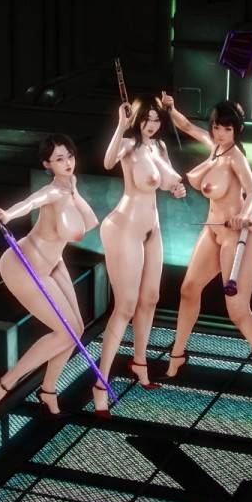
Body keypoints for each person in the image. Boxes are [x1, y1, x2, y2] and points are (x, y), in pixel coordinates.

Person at [160, 94, 252, 413]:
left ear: (236, 131)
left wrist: (243, 213)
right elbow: (187, 126)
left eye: (226, 129)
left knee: (238, 311)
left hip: (237, 234)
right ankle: (178, 353)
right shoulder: (213, 146)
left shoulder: (235, 158)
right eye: (216, 127)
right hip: (213, 228)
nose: (219, 133)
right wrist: (171, 108)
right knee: (189, 289)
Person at [0, 134, 99, 418]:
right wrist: (7, 215)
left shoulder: (71, 184)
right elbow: (31, 202)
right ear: (47, 164)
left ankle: (48, 390)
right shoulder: (52, 192)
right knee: (65, 332)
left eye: (70, 156)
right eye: (59, 159)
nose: (68, 162)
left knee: (75, 332)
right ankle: (4, 384)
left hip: (52, 262)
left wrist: (75, 193)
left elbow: (90, 221)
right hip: (24, 265)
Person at [91, 95, 187, 418]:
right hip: (124, 229)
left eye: (157, 119)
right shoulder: (129, 144)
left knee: (150, 298)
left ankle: (139, 362)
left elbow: (168, 179)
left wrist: (177, 189)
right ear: (137, 119)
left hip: (151, 228)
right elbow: (107, 162)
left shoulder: (159, 147)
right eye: (147, 118)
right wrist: (121, 124)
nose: (152, 125)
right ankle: (100, 383)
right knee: (125, 307)